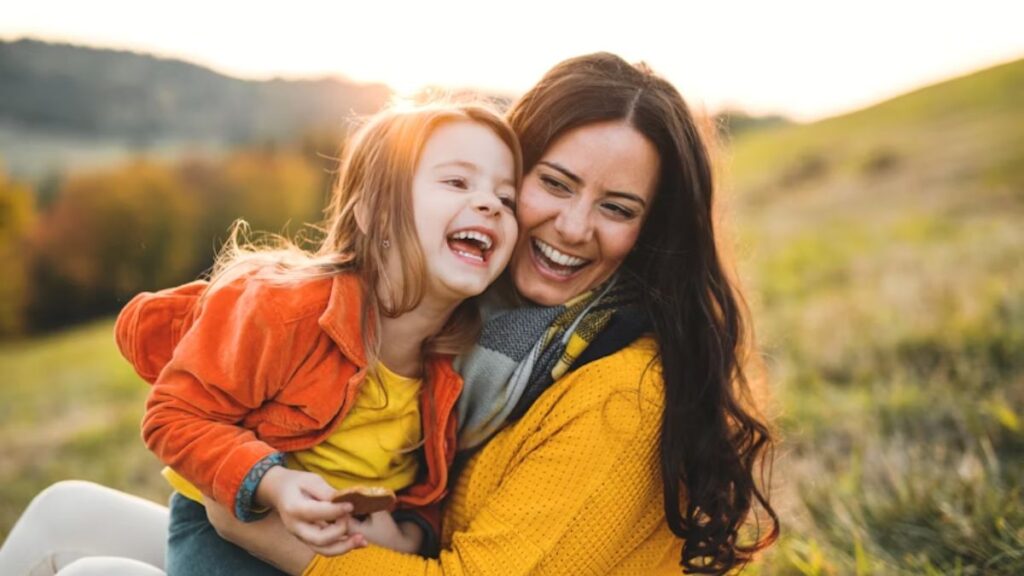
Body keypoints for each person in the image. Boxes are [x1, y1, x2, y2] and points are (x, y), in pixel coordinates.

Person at [0, 52, 779, 576]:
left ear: (653, 231)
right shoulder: (479, 332)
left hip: (313, 552)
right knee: (63, 510)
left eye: (617, 207)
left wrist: (253, 514)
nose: (574, 228)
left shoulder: (617, 387)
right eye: (553, 183)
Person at [0, 101, 521, 576]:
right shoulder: (285, 308)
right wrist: (274, 483)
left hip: (327, 558)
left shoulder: (456, 366)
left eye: (506, 196)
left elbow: (425, 491)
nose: (490, 205)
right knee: (60, 507)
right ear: (372, 212)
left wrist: (406, 534)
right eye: (457, 182)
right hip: (226, 526)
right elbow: (173, 416)